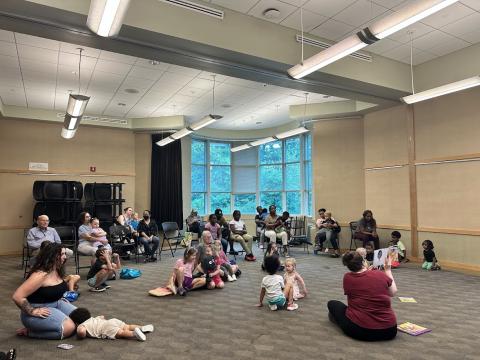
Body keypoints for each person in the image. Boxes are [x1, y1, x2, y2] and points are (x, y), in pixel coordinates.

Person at [327, 251, 398, 341]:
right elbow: (393, 292)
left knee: (332, 304)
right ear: (363, 262)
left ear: (348, 266)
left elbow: (362, 281)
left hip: (361, 331)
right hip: (390, 330)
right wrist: (388, 270)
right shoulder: (379, 274)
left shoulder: (347, 277)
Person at [12, 243, 77, 339]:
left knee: (80, 319)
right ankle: (29, 332)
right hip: (37, 310)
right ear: (53, 256)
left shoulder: (57, 270)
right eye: (62, 254)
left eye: (65, 254)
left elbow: (52, 288)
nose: (65, 257)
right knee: (69, 328)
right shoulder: (40, 275)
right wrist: (32, 311)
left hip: (56, 304)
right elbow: (17, 296)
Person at [69, 307, 153, 341]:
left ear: (76, 322)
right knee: (128, 326)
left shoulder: (82, 325)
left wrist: (79, 334)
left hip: (106, 328)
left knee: (122, 333)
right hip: (111, 321)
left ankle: (134, 333)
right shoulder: (93, 319)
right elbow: (101, 317)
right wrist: (101, 317)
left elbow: (81, 331)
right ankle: (142, 327)